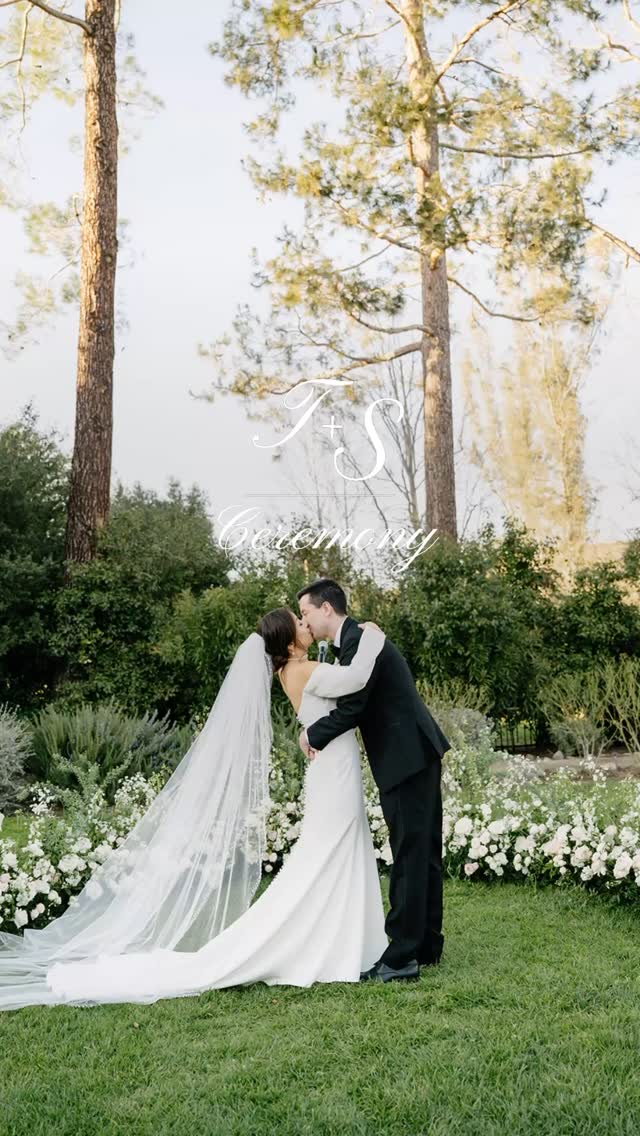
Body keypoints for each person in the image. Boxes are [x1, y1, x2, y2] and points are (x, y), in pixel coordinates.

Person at [0, 612, 390, 1010]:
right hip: (332, 775)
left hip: (331, 771)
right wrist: (373, 636)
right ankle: (315, 941)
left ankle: (344, 937)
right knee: (323, 856)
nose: (307, 625)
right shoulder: (304, 670)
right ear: (290, 645)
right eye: (300, 623)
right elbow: (356, 679)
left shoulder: (298, 669)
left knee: (332, 852)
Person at [298, 578, 451, 983]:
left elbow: (354, 705)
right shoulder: (355, 641)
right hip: (415, 753)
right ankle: (426, 945)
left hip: (407, 758)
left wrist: (312, 735)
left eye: (306, 613)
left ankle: (401, 958)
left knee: (410, 855)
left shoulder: (360, 640)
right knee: (422, 853)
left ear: (327, 609)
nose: (304, 621)